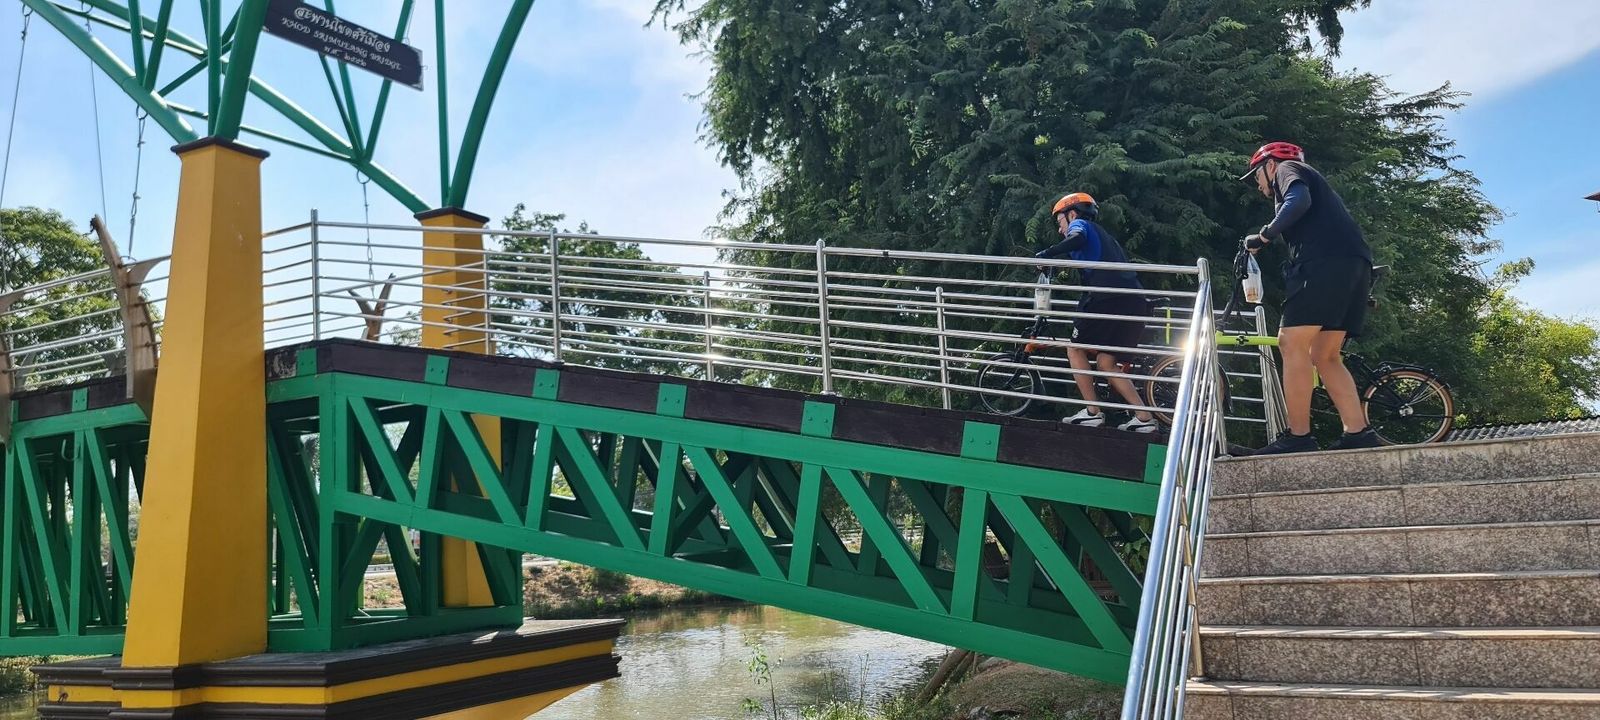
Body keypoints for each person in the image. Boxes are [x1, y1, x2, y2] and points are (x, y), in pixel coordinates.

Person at [1240, 141, 1382, 454]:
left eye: (1257, 175)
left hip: (1323, 264)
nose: (1258, 184)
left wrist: (1264, 236)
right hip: (1356, 265)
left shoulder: (1289, 169)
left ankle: (1298, 436)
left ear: (1270, 165)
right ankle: (1358, 433)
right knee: (1325, 354)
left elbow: (1298, 200)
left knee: (1290, 343)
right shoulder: (1313, 181)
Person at [1036, 192, 1159, 433]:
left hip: (1107, 298)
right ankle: (1144, 417)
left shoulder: (1081, 225)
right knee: (1105, 362)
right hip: (1133, 300)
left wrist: (1047, 254)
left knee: (1075, 348)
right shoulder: (1105, 237)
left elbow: (1077, 237)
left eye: (1060, 222)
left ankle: (1092, 412)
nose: (1060, 229)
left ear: (1072, 215)